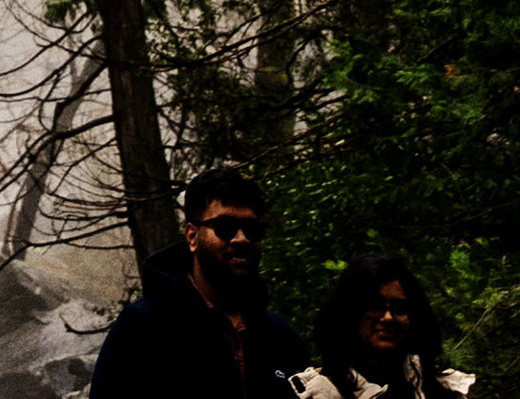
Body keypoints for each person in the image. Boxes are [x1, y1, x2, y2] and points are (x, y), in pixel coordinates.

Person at [88, 166, 301, 399]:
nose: (242, 239)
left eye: (253, 229)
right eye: (225, 228)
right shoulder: (141, 329)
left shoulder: (280, 336)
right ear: (192, 237)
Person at [302, 254, 470, 399]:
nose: (388, 318)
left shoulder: (441, 388)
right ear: (349, 311)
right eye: (374, 306)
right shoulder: (319, 391)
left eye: (399, 308)